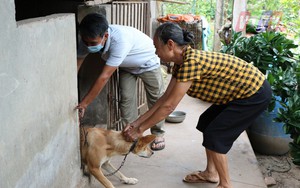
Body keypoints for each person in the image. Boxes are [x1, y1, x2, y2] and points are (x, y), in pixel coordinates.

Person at [122, 22, 272, 188]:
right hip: (239, 92)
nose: (156, 52)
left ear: (170, 44)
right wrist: (137, 123)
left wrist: (140, 130)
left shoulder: (190, 63)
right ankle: (211, 173)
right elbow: (165, 99)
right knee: (207, 122)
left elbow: (168, 107)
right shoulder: (181, 62)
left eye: (157, 47)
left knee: (216, 135)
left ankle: (225, 184)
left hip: (254, 92)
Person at [76, 13, 166, 150]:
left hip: (148, 62)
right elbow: (78, 63)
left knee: (156, 98)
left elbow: (104, 77)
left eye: (93, 43)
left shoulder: (120, 41)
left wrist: (84, 104)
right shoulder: (87, 38)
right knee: (126, 99)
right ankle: (131, 134)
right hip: (126, 66)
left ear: (105, 36)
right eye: (86, 42)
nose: (89, 46)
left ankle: (158, 133)